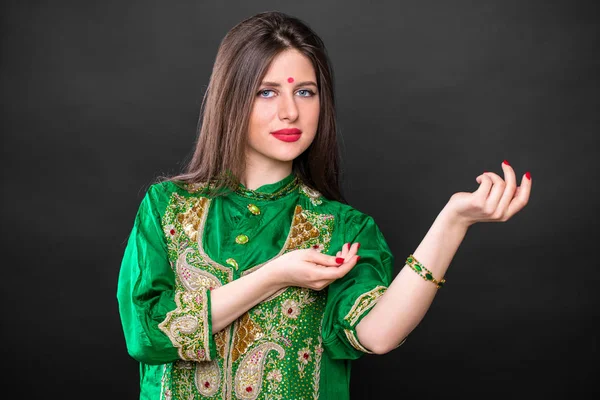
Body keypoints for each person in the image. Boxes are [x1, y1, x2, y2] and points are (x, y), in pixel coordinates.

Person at [116, 11, 532, 400]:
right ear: (232, 100)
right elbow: (148, 335)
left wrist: (452, 222)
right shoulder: (168, 206)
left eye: (305, 92)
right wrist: (274, 276)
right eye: (266, 92)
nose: (290, 111)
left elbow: (378, 334)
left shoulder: (342, 228)